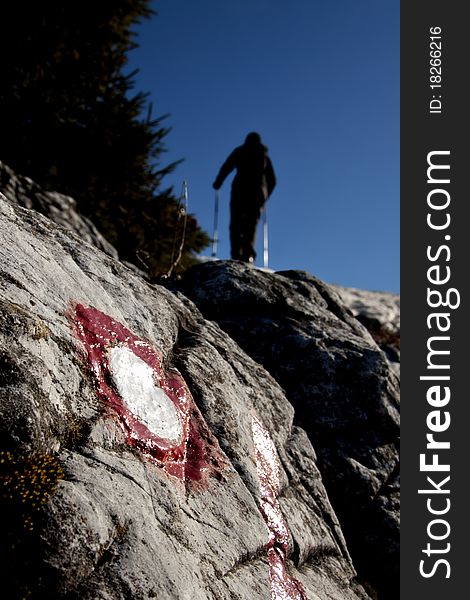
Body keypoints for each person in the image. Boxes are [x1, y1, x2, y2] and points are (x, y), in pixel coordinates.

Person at [212, 132, 276, 263]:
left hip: (239, 190)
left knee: (236, 223)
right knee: (251, 224)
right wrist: (265, 196)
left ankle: (236, 253)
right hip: (257, 194)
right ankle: (248, 254)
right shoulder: (264, 156)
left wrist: (219, 181)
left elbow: (227, 166)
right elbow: (273, 180)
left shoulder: (241, 151)